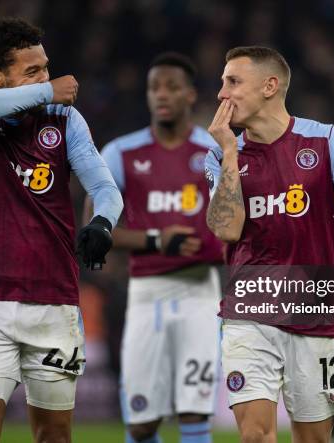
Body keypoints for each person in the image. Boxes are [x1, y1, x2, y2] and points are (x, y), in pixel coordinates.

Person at [0, 18, 123, 443]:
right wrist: (46, 90)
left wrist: (102, 222)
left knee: (54, 437)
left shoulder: (63, 120)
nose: (46, 78)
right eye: (32, 71)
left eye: (45, 68)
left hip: (54, 303)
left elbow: (105, 189)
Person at [204, 46, 334, 443]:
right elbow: (226, 228)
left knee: (315, 439)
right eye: (223, 82)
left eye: (233, 82)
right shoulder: (221, 152)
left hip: (314, 315)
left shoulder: (326, 140)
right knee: (255, 436)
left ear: (270, 86)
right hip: (249, 312)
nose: (222, 93)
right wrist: (226, 152)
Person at [84, 52, 224, 443]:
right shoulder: (121, 153)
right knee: (142, 423)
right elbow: (91, 228)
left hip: (200, 291)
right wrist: (156, 240)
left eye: (172, 87)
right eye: (154, 87)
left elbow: (235, 217)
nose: (162, 94)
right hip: (145, 293)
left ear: (191, 95)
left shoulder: (213, 152)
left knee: (194, 413)